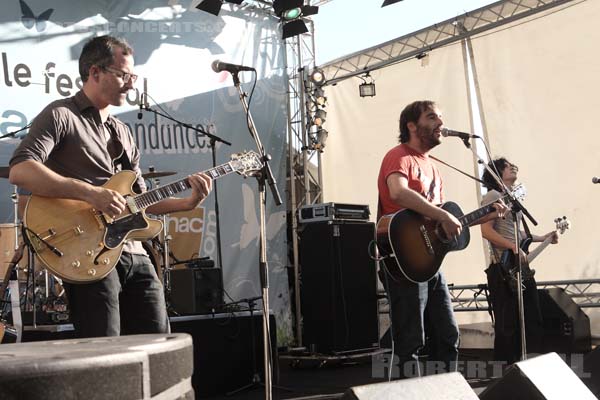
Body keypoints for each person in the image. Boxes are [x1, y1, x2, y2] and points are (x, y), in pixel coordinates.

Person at [8, 35, 212, 338]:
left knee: (158, 344)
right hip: (88, 252)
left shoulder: (123, 132)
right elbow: (21, 170)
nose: (131, 83)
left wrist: (187, 203)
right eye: (124, 74)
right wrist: (92, 193)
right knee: (104, 349)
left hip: (136, 254)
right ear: (95, 72)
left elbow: (140, 199)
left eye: (133, 76)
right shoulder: (61, 115)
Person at [377, 100, 507, 378]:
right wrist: (442, 215)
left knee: (448, 334)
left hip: (431, 263)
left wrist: (485, 215)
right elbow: (398, 192)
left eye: (441, 117)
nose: (440, 123)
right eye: (432, 117)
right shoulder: (398, 155)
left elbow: (438, 223)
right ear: (412, 126)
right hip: (405, 260)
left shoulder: (433, 166)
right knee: (410, 339)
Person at [480, 157, 558, 364]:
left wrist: (544, 237)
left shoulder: (512, 199)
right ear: (497, 172)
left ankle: (531, 364)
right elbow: (485, 230)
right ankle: (504, 371)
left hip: (519, 267)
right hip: (502, 268)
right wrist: (512, 247)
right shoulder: (493, 196)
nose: (514, 167)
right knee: (508, 324)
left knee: (532, 318)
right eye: (507, 165)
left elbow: (518, 233)